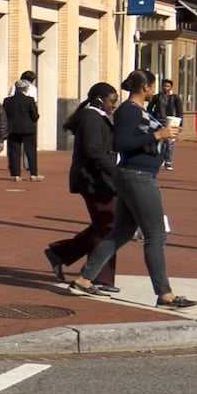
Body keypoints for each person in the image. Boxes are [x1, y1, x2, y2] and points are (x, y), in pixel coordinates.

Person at [74, 71, 197, 310]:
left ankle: (84, 278)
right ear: (145, 86)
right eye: (152, 85)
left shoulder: (141, 111)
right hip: (137, 176)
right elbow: (120, 143)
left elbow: (140, 138)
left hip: (139, 175)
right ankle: (165, 294)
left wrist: (163, 135)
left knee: (120, 232)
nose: (154, 89)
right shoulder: (129, 111)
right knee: (156, 235)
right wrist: (157, 134)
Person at [45, 80, 122, 288]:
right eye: (111, 100)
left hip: (100, 179)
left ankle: (61, 253)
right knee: (110, 225)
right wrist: (115, 171)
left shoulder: (99, 116)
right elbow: (94, 151)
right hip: (93, 181)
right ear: (99, 100)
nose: (114, 104)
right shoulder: (91, 117)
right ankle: (98, 276)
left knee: (105, 225)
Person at [2, 74, 41, 182]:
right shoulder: (30, 100)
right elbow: (35, 115)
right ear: (26, 89)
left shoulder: (7, 101)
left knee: (14, 151)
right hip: (28, 129)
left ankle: (16, 175)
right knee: (30, 151)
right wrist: (33, 120)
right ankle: (33, 174)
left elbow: (3, 115)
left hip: (13, 129)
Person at [153, 77, 184, 172]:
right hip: (160, 120)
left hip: (172, 120)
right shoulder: (157, 97)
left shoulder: (175, 97)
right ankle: (160, 158)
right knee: (160, 141)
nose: (165, 87)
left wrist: (180, 123)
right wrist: (152, 117)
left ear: (171, 87)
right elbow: (150, 107)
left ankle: (168, 161)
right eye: (164, 85)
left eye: (168, 86)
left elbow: (179, 110)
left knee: (170, 142)